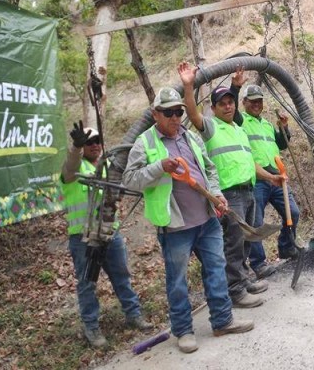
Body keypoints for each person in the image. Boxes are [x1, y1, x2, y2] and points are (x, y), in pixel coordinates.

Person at [121, 88, 254, 353]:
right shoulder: (144, 143)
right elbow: (130, 180)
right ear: (156, 114)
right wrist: (159, 167)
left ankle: (222, 320)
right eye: (168, 112)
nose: (175, 117)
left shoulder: (190, 136)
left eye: (178, 111)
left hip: (207, 220)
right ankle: (183, 330)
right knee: (178, 280)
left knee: (216, 269)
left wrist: (216, 193)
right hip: (175, 226)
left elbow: (209, 169)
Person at [177, 62, 271, 306]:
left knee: (247, 239)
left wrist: (270, 177)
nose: (228, 106)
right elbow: (192, 113)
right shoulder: (211, 127)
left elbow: (248, 161)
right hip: (229, 194)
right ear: (214, 108)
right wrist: (188, 86)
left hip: (248, 190)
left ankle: (244, 279)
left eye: (230, 102)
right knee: (233, 242)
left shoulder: (239, 129)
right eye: (222, 104)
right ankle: (235, 290)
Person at [61, 122, 154, 348]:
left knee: (121, 275)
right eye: (89, 142)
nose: (94, 145)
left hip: (111, 234)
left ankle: (133, 314)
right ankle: (91, 327)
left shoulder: (110, 168)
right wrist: (75, 147)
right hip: (83, 239)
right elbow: (69, 168)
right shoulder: (74, 170)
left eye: (97, 141)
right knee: (87, 283)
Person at [232, 80, 300, 275]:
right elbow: (232, 111)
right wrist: (235, 87)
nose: (256, 104)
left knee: (293, 212)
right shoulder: (240, 122)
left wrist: (284, 128)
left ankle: (286, 246)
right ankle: (259, 263)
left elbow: (282, 144)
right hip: (257, 180)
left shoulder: (268, 124)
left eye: (259, 101)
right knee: (256, 223)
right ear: (244, 102)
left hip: (277, 177)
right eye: (252, 101)